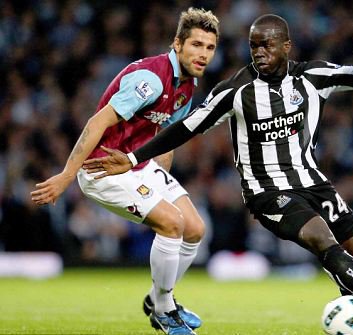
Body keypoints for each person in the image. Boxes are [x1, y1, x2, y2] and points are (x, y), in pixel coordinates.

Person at [82, 14, 353, 332]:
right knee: (322, 239)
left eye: (267, 45)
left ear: (287, 46)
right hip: (267, 192)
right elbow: (185, 127)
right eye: (254, 45)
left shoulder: (313, 77)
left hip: (314, 184)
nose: (259, 51)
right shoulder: (236, 91)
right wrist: (133, 157)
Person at [31, 7, 220, 335]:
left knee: (194, 228)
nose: (203, 54)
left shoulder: (187, 86)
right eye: (196, 45)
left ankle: (157, 299)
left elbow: (167, 134)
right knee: (172, 224)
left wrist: (163, 175)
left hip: (139, 165)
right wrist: (65, 176)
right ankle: (164, 311)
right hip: (104, 169)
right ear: (177, 44)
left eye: (210, 47)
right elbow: (97, 122)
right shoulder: (150, 78)